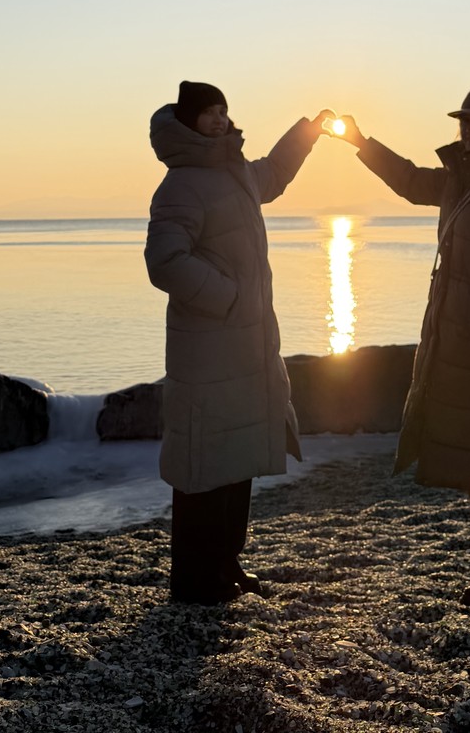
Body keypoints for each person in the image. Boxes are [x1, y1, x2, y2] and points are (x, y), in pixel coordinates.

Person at [334, 85, 470, 612]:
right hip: (469, 347)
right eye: (465, 121)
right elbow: (411, 181)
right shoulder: (465, 179)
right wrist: (361, 143)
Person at [144, 80, 334, 605]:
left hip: (246, 347)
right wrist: (227, 298)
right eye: (208, 113)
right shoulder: (181, 184)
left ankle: (226, 563)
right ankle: (194, 579)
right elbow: (164, 262)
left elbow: (274, 171)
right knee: (202, 464)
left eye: (224, 110)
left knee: (236, 460)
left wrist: (309, 132)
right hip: (207, 348)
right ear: (187, 122)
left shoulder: (237, 175)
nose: (220, 120)